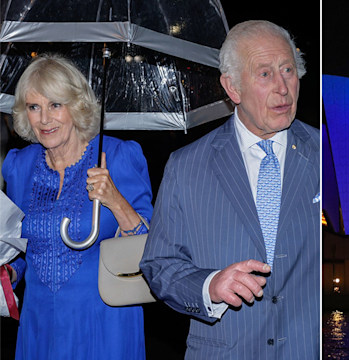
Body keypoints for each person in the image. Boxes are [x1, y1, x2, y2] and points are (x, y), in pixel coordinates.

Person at [140, 20, 319, 359]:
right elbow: (159, 264)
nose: (283, 88)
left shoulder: (328, 155)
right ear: (232, 87)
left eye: (288, 70)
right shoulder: (185, 166)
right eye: (265, 74)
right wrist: (210, 286)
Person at [2, 54, 153, 359]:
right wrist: (10, 274)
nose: (44, 119)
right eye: (34, 107)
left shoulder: (118, 156)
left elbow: (151, 246)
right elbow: (21, 246)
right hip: (39, 323)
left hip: (104, 324)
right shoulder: (19, 166)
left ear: (77, 105)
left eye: (55, 105)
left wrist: (115, 199)